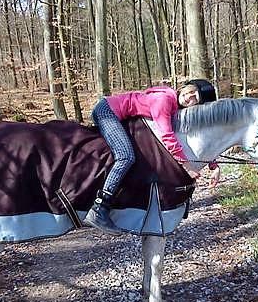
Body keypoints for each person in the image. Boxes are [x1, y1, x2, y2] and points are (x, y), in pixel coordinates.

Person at [85, 79, 218, 234]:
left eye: (196, 99)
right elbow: (167, 137)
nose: (190, 97)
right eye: (191, 91)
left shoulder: (175, 107)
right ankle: (99, 207)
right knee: (125, 157)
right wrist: (187, 166)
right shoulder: (164, 100)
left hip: (120, 116)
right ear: (185, 87)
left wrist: (213, 164)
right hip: (107, 112)